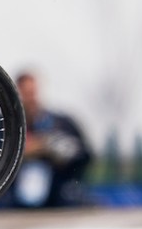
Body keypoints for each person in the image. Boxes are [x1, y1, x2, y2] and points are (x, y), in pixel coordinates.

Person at [10, 71, 96, 208]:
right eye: (26, 94)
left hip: (58, 198)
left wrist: (61, 153)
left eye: (33, 92)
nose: (31, 98)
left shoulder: (62, 123)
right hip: (15, 202)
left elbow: (85, 155)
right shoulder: (6, 125)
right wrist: (27, 150)